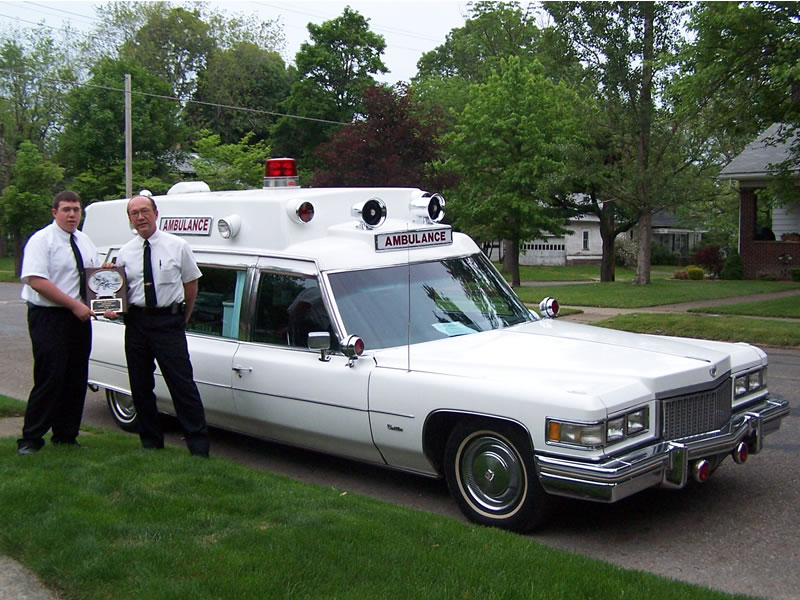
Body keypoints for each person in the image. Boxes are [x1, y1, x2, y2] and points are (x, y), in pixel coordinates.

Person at [106, 194, 209, 457]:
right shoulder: (124, 253)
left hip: (168, 322)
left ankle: (198, 448)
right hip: (137, 323)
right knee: (140, 386)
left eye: (144, 211)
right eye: (134, 214)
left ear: (156, 213)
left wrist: (182, 318)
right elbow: (120, 292)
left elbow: (191, 284)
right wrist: (108, 296)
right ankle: (151, 444)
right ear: (129, 219)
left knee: (182, 386)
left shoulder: (178, 245)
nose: (140, 217)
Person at [17, 190, 100, 455]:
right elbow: (36, 280)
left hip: (79, 318)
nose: (72, 214)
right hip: (49, 317)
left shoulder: (85, 241)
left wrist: (105, 297)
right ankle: (31, 439)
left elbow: (91, 278)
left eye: (77, 209)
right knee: (50, 376)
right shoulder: (42, 240)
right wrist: (74, 305)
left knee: (76, 377)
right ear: (55, 212)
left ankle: (66, 435)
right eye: (66, 209)